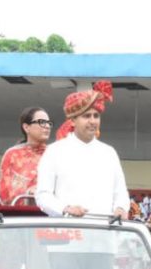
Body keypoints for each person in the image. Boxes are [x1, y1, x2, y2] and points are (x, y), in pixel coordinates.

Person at [36, 81, 128, 219]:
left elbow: (120, 193)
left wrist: (121, 208)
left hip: (104, 229)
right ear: (73, 121)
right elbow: (43, 195)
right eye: (86, 116)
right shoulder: (55, 152)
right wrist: (65, 208)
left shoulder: (109, 153)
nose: (93, 121)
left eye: (96, 116)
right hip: (67, 228)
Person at [0, 106, 51, 203]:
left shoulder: (54, 154)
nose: (47, 126)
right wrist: (28, 193)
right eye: (42, 122)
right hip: (20, 211)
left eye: (49, 123)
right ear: (26, 127)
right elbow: (5, 194)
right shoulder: (12, 155)